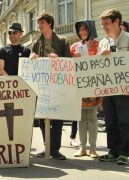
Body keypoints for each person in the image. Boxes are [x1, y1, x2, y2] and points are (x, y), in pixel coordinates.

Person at [30, 12, 71, 160]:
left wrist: (58, 59)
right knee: (42, 117)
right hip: (41, 84)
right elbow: (30, 63)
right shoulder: (36, 42)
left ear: (49, 24)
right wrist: (32, 57)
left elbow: (69, 62)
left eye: (42, 23)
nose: (39, 25)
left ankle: (55, 149)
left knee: (57, 117)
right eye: (38, 23)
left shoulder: (63, 41)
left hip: (57, 84)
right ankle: (47, 147)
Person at [97, 9, 129, 165]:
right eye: (102, 24)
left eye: (106, 23)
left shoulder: (128, 39)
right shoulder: (103, 42)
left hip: (125, 88)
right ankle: (113, 151)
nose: (104, 27)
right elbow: (96, 67)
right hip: (108, 89)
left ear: (117, 22)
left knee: (124, 121)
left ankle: (125, 152)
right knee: (110, 121)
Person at [70, 19, 101, 158]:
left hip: (94, 86)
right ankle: (82, 148)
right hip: (79, 87)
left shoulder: (98, 45)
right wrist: (73, 58)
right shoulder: (74, 47)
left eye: (85, 29)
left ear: (90, 30)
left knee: (93, 119)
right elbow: (67, 67)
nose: (82, 32)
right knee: (81, 120)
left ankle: (93, 149)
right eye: (80, 30)